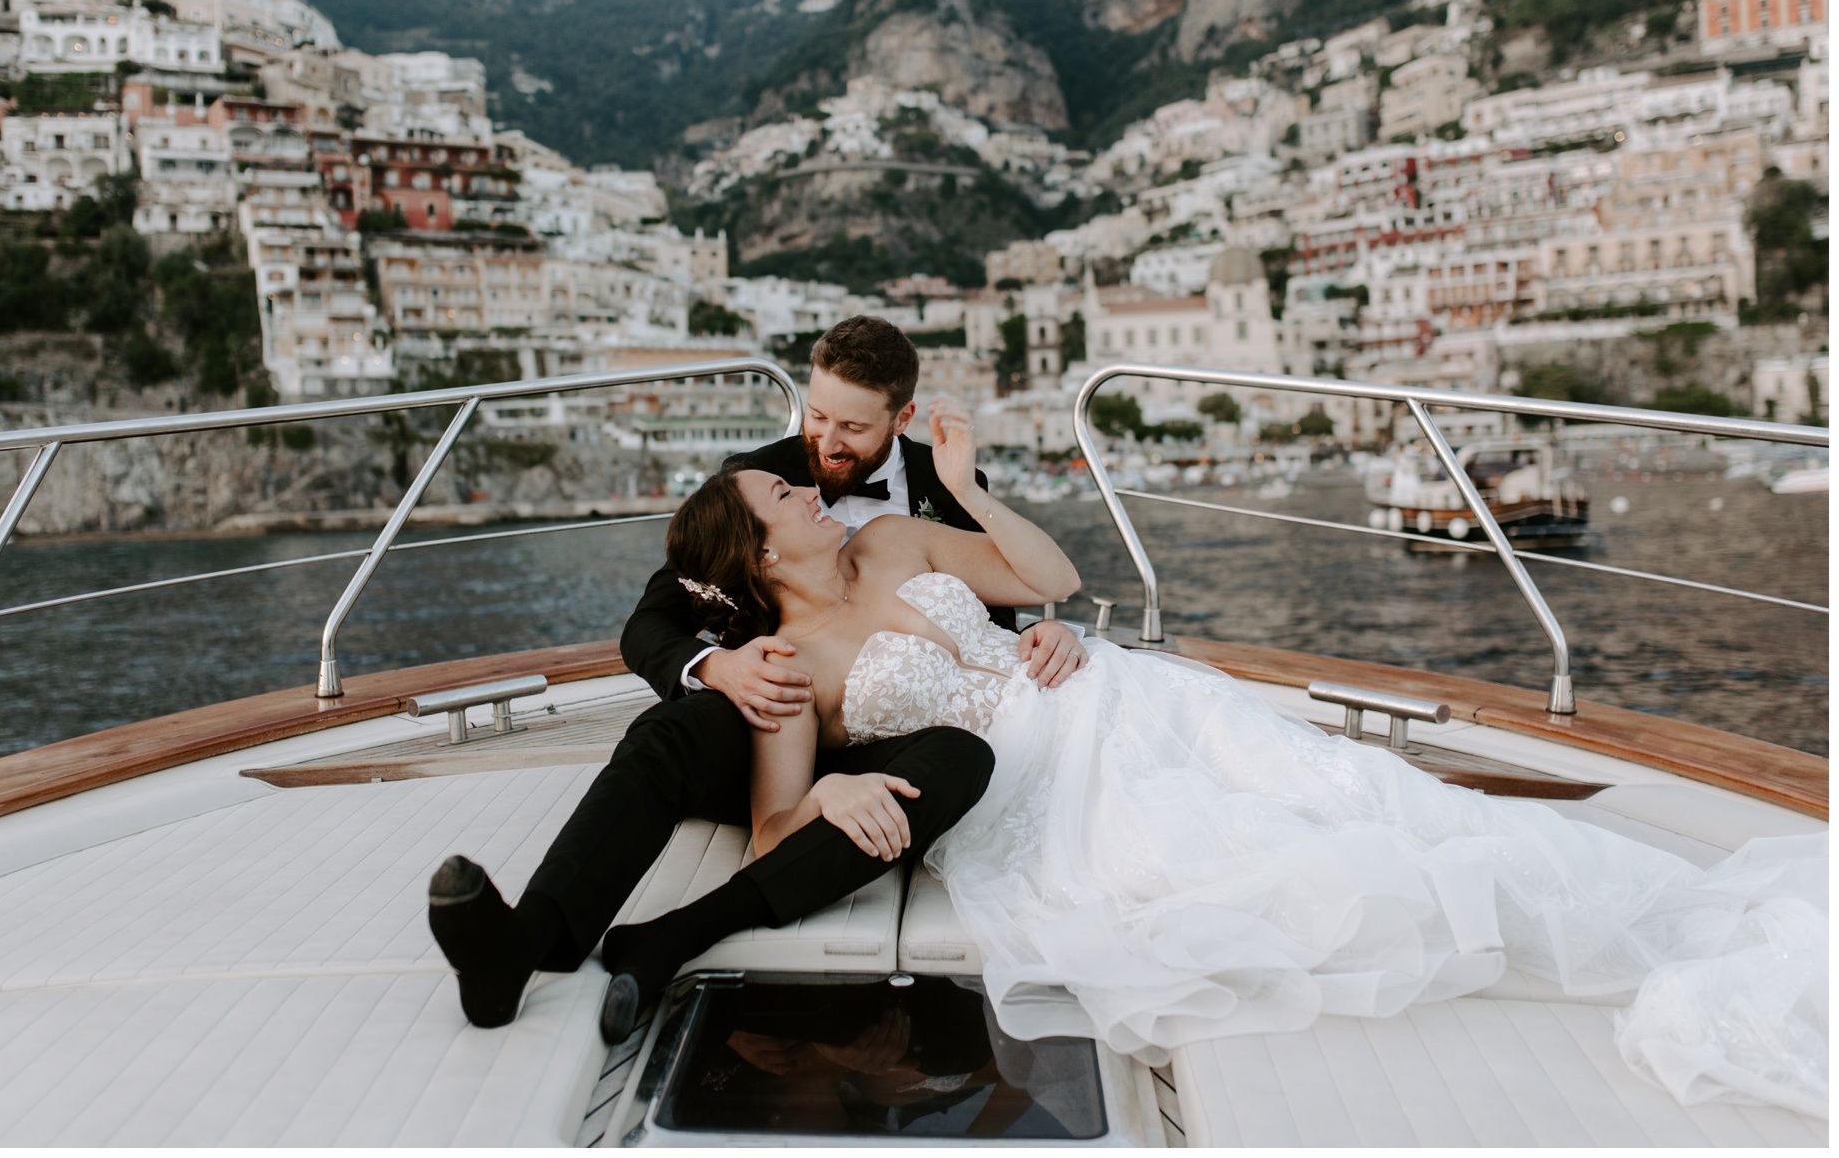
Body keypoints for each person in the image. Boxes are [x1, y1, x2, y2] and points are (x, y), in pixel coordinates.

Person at [627, 398, 1828, 1119]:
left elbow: (1049, 583)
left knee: (1359, 788)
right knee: (1280, 865)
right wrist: (831, 778)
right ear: (755, 551)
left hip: (1106, 692)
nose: (806, 482)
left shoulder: (892, 537)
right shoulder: (781, 668)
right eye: (780, 493)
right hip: (1033, 789)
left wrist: (960, 491)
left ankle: (1610, 893)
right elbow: (781, 832)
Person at [425, 317, 1087, 1042]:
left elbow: (988, 616)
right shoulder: (754, 481)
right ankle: (532, 939)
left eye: (853, 427)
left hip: (916, 727)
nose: (827, 442)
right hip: (780, 705)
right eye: (819, 414)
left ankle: (677, 935)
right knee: (669, 733)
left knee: (962, 754)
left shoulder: (941, 483)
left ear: (901, 418)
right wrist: (720, 664)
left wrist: (1040, 631)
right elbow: (650, 624)